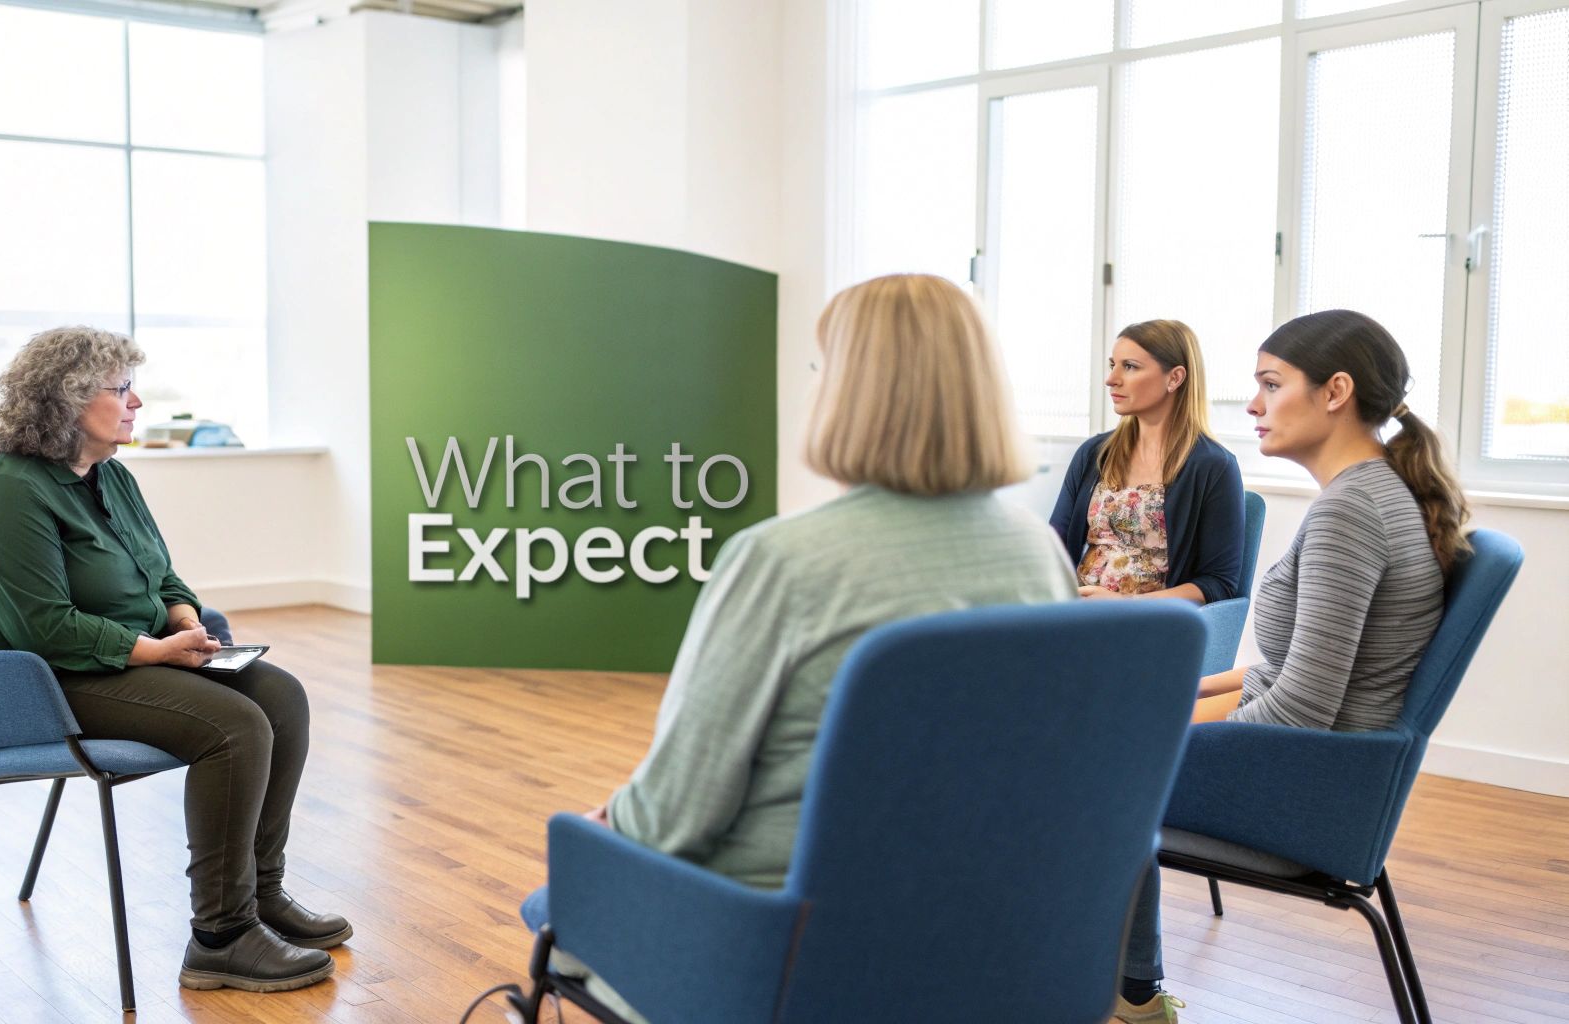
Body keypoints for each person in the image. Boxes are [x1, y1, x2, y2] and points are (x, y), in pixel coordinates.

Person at [523, 274, 1081, 1021]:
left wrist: (608, 825)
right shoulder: (1037, 550)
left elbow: (674, 817)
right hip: (980, 935)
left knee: (558, 892)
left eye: (821, 367)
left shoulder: (783, 561)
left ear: (851, 390)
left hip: (779, 947)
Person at [0, 326, 348, 994]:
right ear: (67, 401)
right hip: (36, 684)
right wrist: (157, 651)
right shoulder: (6, 496)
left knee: (281, 697)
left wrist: (185, 621)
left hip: (115, 659)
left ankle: (259, 893)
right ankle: (221, 936)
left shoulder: (112, 477)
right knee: (233, 725)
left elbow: (160, 575)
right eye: (121, 389)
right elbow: (42, 628)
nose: (136, 403)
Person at [1115, 310, 1467, 1024]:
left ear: (1335, 392)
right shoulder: (1373, 494)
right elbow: (1285, 675)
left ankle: (1120, 996)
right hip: (1319, 767)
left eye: (1271, 385)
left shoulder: (1353, 511)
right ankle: (1121, 989)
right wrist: (1174, 700)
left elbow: (1299, 711)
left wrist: (1157, 740)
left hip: (1304, 782)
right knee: (1100, 732)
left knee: (1072, 768)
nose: (1251, 405)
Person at [1050, 320, 1244, 604]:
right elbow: (1056, 547)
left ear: (1175, 378)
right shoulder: (1094, 453)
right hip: (1078, 614)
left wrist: (1126, 605)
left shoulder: (1214, 466)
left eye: (1129, 366)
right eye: (1112, 365)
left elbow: (1218, 584)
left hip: (1152, 626)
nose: (1111, 379)